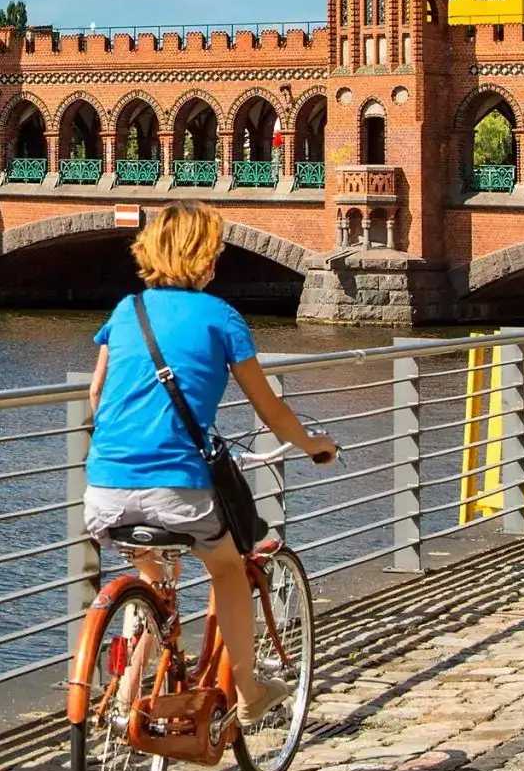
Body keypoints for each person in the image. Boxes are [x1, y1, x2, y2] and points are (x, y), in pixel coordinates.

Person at [85, 201, 337, 716]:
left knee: (154, 579)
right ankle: (248, 691)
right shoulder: (222, 317)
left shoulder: (126, 310)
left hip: (105, 489)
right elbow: (269, 410)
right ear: (206, 258)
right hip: (177, 490)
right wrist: (313, 444)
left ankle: (129, 696)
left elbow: (96, 395)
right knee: (226, 567)